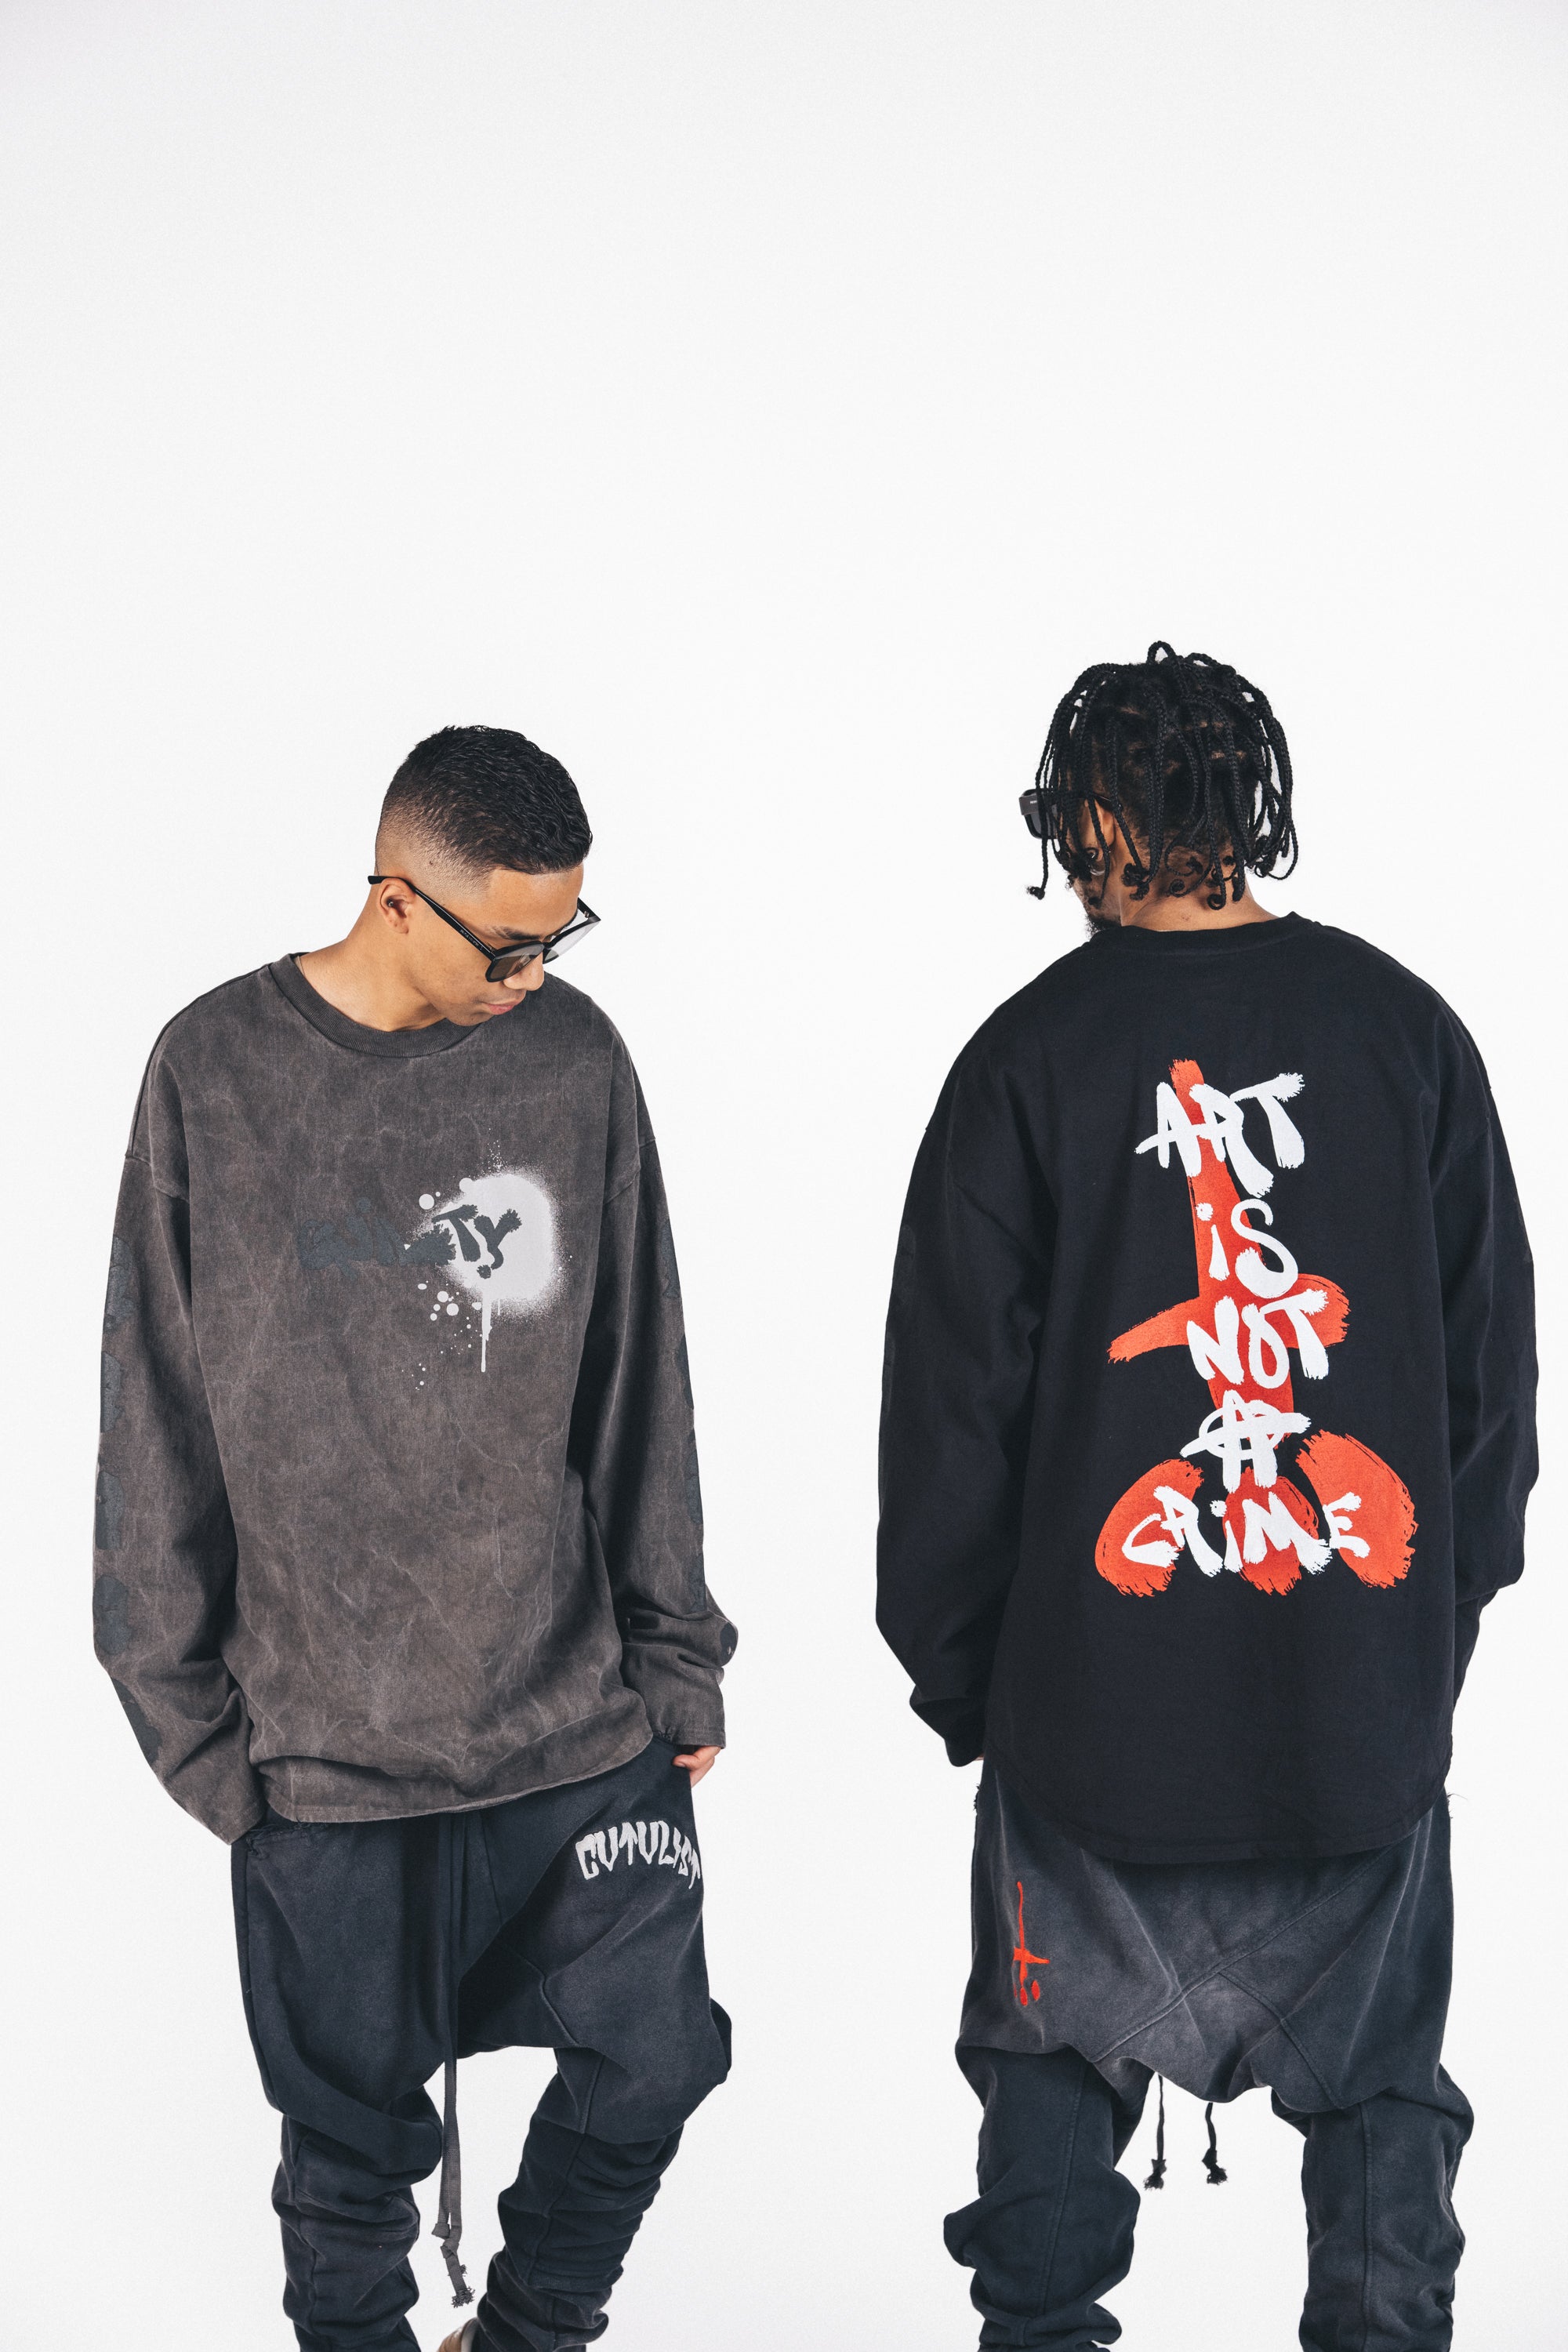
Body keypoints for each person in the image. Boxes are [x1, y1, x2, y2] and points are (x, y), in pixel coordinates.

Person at [876, 644, 1536, 2351]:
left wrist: (979, 1691)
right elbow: (1492, 1399)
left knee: (1045, 2103)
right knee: (1381, 2110)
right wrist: (1413, 1642)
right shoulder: (1407, 1036)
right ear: (1249, 808)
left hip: (1088, 1728)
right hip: (1355, 1718)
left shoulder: (1024, 1059)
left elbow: (947, 1425)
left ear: (1092, 822)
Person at [93, 725, 736, 2352]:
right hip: (326, 1759)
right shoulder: (214, 1071)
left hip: (573, 1723)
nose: (537, 975)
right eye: (509, 943)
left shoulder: (574, 1064)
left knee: (658, 2060)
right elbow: (154, 1407)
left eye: (561, 938)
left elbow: (638, 1372)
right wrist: (192, 1729)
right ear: (395, 896)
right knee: (347, 2156)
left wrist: (677, 1658)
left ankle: (523, 2338)